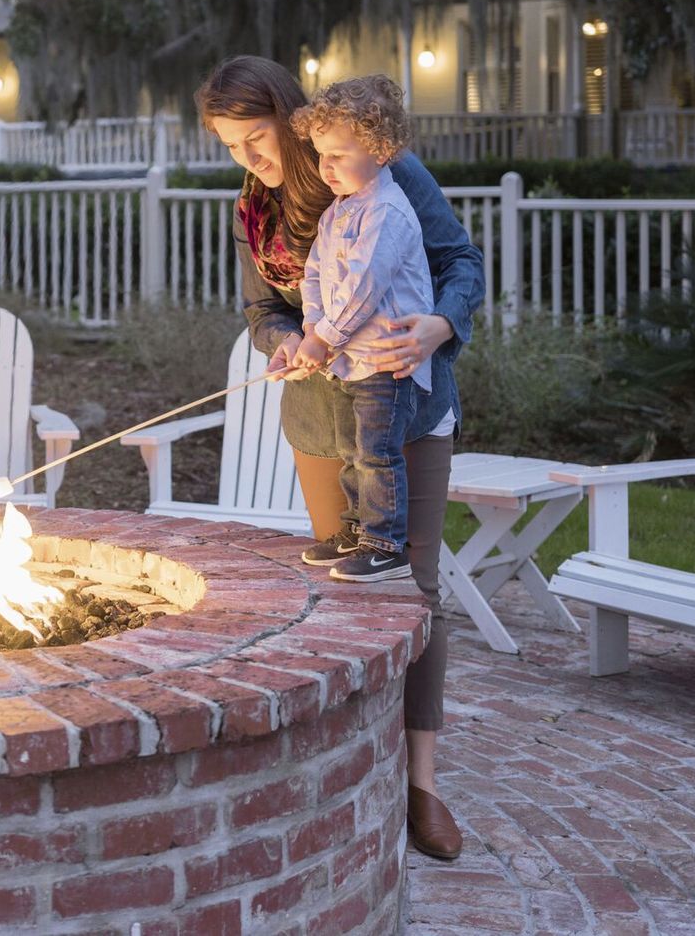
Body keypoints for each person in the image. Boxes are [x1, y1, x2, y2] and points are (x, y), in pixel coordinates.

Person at [198, 54, 483, 863]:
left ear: (290, 119)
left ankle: (421, 782)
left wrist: (438, 325)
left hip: (405, 409)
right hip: (321, 418)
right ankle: (357, 766)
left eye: (255, 139)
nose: (248, 161)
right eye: (229, 146)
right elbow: (260, 309)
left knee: (411, 591)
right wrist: (286, 339)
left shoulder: (376, 169)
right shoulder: (253, 209)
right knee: (345, 594)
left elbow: (462, 264)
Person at [285, 76, 433, 583]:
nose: (326, 167)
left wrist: (325, 336)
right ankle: (356, 529)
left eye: (339, 155)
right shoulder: (337, 212)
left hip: (385, 360)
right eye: (321, 154)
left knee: (377, 452)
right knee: (352, 449)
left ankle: (385, 543)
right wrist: (310, 326)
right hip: (349, 360)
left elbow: (364, 287)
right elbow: (314, 273)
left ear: (380, 149)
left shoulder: (386, 212)